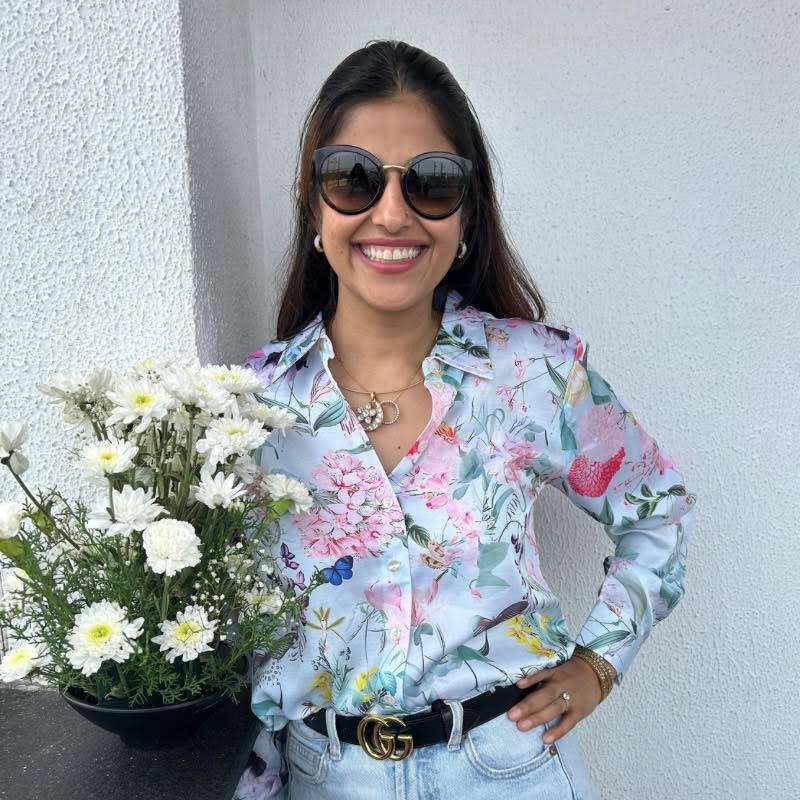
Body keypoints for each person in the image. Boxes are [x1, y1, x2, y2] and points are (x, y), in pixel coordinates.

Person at [233, 40, 696, 800]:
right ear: (313, 201)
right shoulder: (248, 407)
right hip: (323, 777)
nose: (391, 212)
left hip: (508, 771)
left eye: (431, 183)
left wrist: (599, 663)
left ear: (466, 211)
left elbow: (659, 510)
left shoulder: (533, 376)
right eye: (352, 179)